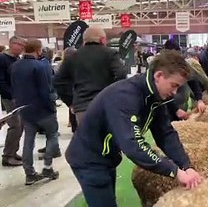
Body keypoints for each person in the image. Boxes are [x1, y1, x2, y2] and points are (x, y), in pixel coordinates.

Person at [66, 50, 203, 207]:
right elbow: (132, 144)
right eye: (174, 85)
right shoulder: (125, 96)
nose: (174, 92)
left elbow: (165, 134)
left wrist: (186, 166)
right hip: (88, 158)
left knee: (107, 198)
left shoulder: (155, 97)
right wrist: (174, 171)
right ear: (159, 76)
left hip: (107, 155)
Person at [54, 27, 127, 125]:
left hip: (82, 107)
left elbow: (58, 81)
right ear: (103, 40)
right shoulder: (110, 54)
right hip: (106, 105)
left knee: (87, 139)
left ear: (84, 41)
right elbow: (121, 74)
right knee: (108, 138)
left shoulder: (72, 57)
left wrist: (70, 101)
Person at [11, 39, 60, 185]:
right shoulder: (39, 67)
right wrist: (52, 106)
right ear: (38, 50)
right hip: (43, 109)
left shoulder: (14, 66)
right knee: (52, 136)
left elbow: (14, 87)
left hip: (25, 110)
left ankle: (29, 173)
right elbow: (45, 90)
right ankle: (47, 167)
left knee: (28, 141)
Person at [0, 36, 25, 166]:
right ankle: (7, 156)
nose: (22, 48)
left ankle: (13, 151)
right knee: (15, 126)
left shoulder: (17, 59)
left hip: (18, 96)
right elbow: (1, 81)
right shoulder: (2, 59)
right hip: (9, 97)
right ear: (12, 44)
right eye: (20, 45)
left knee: (21, 126)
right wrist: (10, 95)